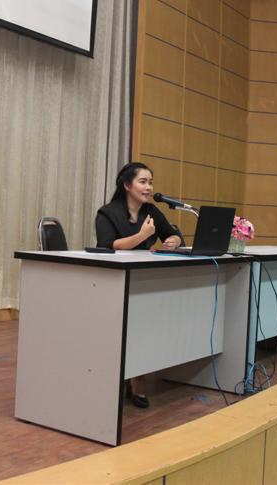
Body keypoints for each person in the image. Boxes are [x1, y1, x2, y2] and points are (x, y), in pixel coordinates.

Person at [95, 162, 183, 408]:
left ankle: (136, 379)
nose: (148, 187)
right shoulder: (107, 212)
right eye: (143, 182)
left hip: (145, 279)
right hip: (114, 281)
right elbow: (106, 245)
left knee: (145, 328)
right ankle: (121, 378)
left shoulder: (151, 211)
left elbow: (172, 234)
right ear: (126, 184)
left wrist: (173, 241)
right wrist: (141, 237)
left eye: (150, 182)